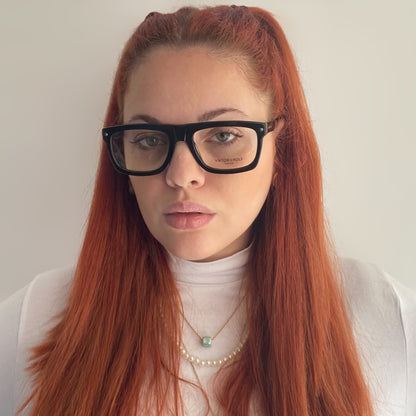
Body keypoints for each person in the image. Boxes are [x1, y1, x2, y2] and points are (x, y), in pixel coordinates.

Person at [0, 5, 415, 416]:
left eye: (223, 136)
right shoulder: (31, 321)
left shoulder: (389, 320)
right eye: (148, 140)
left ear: (280, 151)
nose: (182, 176)